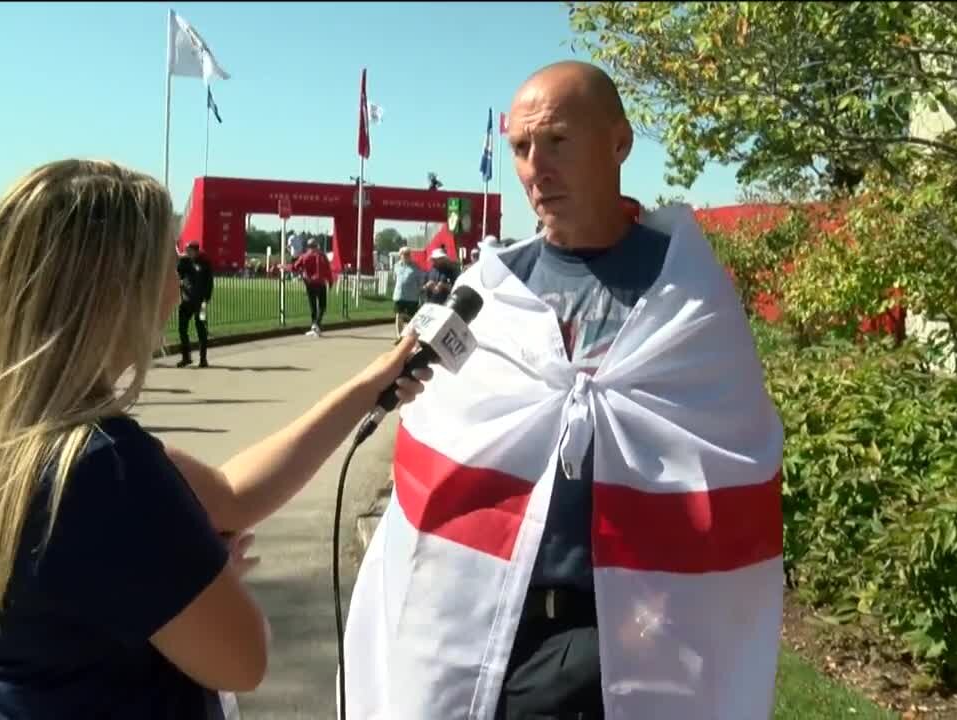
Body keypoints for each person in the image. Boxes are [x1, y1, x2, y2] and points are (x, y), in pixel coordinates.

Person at [342, 61, 785, 719]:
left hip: (643, 634)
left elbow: (731, 454)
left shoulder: (688, 294)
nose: (534, 168)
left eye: (556, 141)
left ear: (618, 143)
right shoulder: (491, 291)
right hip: (492, 624)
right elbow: (442, 451)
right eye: (521, 147)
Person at [0, 159, 432, 720]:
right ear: (113, 291)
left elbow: (231, 496)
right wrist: (211, 574)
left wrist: (370, 385)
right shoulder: (107, 468)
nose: (176, 286)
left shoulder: (0, 427)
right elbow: (243, 660)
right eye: (167, 263)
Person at [176, 241, 214, 367]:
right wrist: (179, 260)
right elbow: (178, 274)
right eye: (187, 250)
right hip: (186, 301)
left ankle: (203, 359)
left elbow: (209, 282)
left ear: (196, 251)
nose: (188, 252)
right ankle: (186, 357)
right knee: (182, 329)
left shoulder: (205, 263)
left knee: (201, 329)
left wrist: (206, 298)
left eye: (190, 250)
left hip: (201, 303)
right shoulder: (185, 262)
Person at [290, 237, 333, 336]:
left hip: (309, 283)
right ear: (316, 246)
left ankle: (314, 325)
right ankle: (316, 325)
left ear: (308, 246)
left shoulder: (304, 256)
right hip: (320, 283)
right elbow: (328, 269)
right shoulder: (322, 256)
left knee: (313, 306)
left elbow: (295, 266)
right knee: (322, 306)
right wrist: (330, 281)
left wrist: (284, 267)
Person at [391, 246, 425, 337]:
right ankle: (399, 335)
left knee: (411, 317)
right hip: (399, 295)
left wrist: (421, 295)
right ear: (400, 255)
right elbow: (395, 279)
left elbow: (420, 282)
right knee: (399, 316)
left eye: (408, 254)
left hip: (412, 297)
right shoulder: (396, 266)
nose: (406, 256)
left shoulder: (416, 268)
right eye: (404, 254)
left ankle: (409, 336)